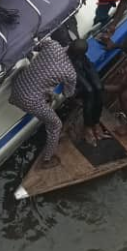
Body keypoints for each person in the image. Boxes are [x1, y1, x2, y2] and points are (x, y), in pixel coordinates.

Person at [9, 37, 77, 168]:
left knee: (44, 88)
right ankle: (47, 159)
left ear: (69, 45)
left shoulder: (53, 45)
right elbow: (67, 94)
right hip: (27, 101)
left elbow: (34, 46)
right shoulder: (70, 73)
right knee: (56, 124)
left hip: (17, 88)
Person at [67, 39, 109, 147]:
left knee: (99, 88)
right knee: (89, 90)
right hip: (72, 64)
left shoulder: (82, 56)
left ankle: (95, 121)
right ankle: (88, 127)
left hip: (81, 60)